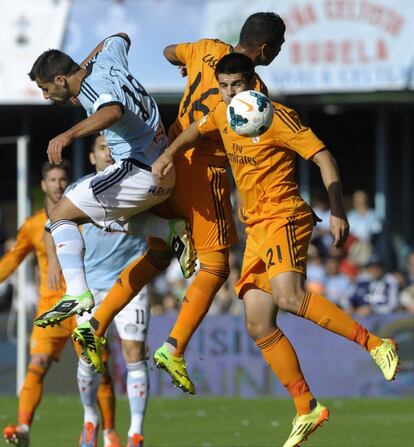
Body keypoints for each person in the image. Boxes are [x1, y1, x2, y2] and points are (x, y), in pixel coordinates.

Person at [152, 52, 400, 447]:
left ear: (253, 82)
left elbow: (323, 157)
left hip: (284, 216)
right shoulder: (222, 111)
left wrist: (337, 209)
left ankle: (375, 343)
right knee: (257, 322)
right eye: (225, 86)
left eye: (238, 85)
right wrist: (167, 154)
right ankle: (306, 406)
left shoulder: (278, 117)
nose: (231, 93)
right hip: (256, 228)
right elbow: (195, 131)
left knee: (289, 296)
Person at [71, 13, 286, 393]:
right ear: (266, 49)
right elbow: (245, 150)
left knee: (156, 256)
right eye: (279, 48)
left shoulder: (205, 50)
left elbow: (170, 52)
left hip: (164, 166)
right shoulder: (255, 95)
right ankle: (174, 347)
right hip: (204, 176)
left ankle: (95, 324)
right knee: (217, 266)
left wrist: (186, 68)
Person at [28, 33, 194, 330]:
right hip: (162, 168)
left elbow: (112, 110)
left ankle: (77, 291)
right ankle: (168, 229)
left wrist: (69, 134)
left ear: (60, 80)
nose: (45, 96)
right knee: (93, 216)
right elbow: (120, 37)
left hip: (141, 172)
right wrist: (85, 62)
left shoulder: (95, 89)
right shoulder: (106, 59)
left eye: (45, 88)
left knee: (60, 215)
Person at [1, 161, 121, 447]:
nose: (57, 184)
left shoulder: (85, 216)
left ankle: (109, 433)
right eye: (52, 179)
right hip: (51, 308)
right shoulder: (32, 226)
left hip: (86, 306)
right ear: (43, 185)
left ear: (68, 183)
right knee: (37, 364)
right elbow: (12, 260)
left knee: (99, 369)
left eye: (62, 179)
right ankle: (24, 426)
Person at [46, 135, 150, 447]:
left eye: (113, 147)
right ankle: (90, 417)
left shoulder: (137, 187)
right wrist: (54, 262)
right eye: (103, 148)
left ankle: (135, 432)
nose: (109, 152)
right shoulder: (81, 190)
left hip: (131, 284)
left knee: (134, 354)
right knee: (90, 362)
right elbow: (54, 225)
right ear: (92, 157)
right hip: (90, 289)